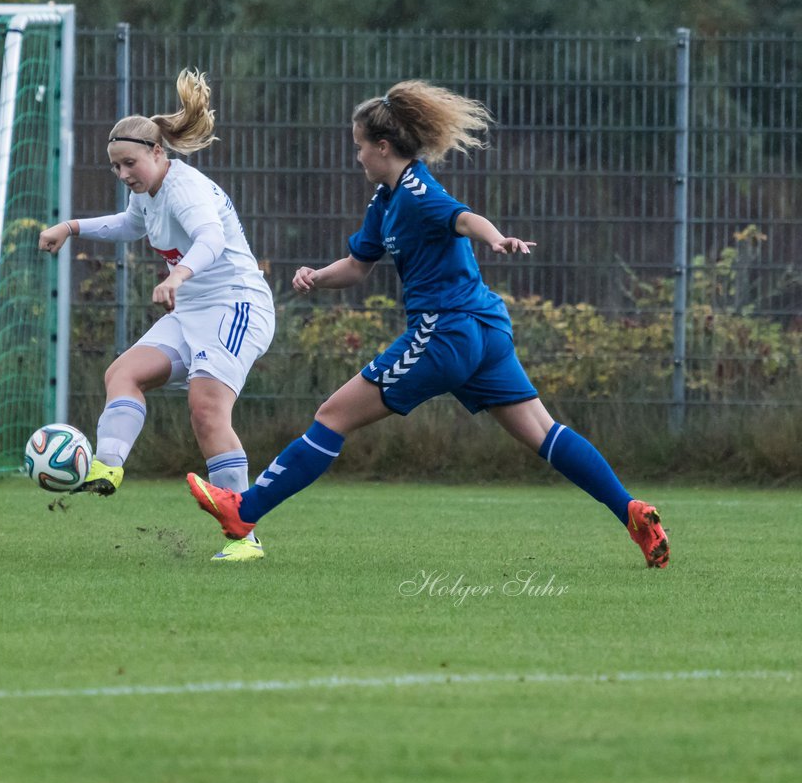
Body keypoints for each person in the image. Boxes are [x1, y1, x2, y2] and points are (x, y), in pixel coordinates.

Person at [186, 79, 670, 569]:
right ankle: (631, 512)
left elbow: (462, 218)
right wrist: (316, 276)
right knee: (544, 433)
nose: (357, 158)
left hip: (446, 334)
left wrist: (497, 238)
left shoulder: (417, 192)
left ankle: (244, 512)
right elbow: (357, 266)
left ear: (382, 146)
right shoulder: (386, 201)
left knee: (333, 416)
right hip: (486, 332)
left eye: (359, 148)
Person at [38, 69, 276, 562]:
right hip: (191, 309)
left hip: (236, 305)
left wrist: (177, 276)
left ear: (158, 153)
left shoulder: (186, 189)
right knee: (123, 373)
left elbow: (211, 239)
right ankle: (107, 467)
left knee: (207, 409)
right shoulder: (146, 192)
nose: (124, 174)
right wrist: (72, 226)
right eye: (116, 168)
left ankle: (244, 538)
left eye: (131, 164)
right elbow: (130, 224)